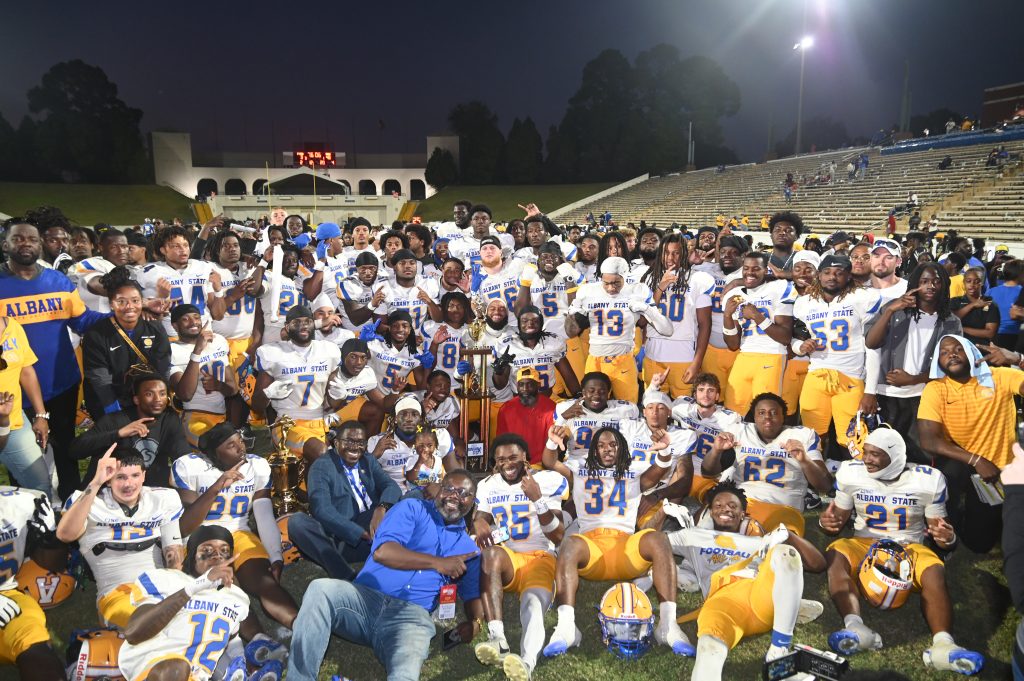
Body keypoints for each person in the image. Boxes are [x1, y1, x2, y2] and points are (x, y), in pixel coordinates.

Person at [286, 470, 483, 681]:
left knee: (405, 673)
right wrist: (438, 563)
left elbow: (471, 595)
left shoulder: (468, 549)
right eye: (449, 488)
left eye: (463, 493)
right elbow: (383, 552)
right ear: (438, 490)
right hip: (365, 600)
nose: (454, 496)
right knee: (320, 589)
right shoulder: (412, 508)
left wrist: (476, 622)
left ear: (473, 502)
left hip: (411, 620)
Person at [818, 428, 983, 675]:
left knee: (934, 569)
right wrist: (826, 523)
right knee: (835, 554)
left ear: (894, 457)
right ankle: (855, 627)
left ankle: (943, 644)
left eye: (875, 454)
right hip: (865, 541)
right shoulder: (851, 473)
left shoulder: (927, 480)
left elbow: (941, 532)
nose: (866, 459)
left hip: (908, 545)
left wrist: (947, 539)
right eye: (865, 452)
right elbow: (837, 519)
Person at [540, 426, 693, 657]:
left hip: (626, 549)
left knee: (658, 539)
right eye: (601, 445)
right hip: (592, 550)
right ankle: (566, 626)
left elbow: (660, 469)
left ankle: (668, 625)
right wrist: (552, 443)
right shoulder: (580, 471)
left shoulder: (634, 472)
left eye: (613, 445)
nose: (608, 450)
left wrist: (664, 451)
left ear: (621, 447)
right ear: (594, 450)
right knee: (570, 543)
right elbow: (550, 462)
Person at [666, 481, 826, 681]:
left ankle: (779, 652)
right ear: (710, 511)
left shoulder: (759, 541)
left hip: (758, 594)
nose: (726, 509)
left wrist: (787, 535)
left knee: (784, 553)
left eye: (733, 506)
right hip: (721, 602)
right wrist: (664, 516)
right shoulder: (694, 536)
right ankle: (788, 606)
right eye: (718, 505)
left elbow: (818, 564)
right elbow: (653, 545)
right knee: (709, 649)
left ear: (743, 514)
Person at [0, 220, 109, 498]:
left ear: (40, 245)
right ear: (6, 245)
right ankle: (27, 509)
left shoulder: (57, 281)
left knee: (65, 446)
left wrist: (121, 316)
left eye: (32, 239)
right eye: (18, 239)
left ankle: (70, 501)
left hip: (61, 380)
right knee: (23, 459)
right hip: (14, 389)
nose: (26, 243)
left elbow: (81, 320)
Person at [172, 422, 298, 629]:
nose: (241, 448)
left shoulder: (256, 466)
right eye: (231, 445)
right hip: (202, 533)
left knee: (264, 582)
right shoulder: (189, 467)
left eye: (240, 442)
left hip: (238, 531)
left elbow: (264, 513)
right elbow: (185, 526)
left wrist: (275, 555)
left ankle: (304, 627)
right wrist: (216, 487)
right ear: (214, 453)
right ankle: (258, 638)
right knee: (226, 588)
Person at [118, 525, 277, 681]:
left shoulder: (235, 597)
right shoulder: (167, 580)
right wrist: (194, 588)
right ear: (192, 556)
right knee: (176, 668)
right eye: (207, 550)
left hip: (197, 676)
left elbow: (231, 640)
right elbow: (134, 633)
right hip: (156, 671)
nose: (217, 556)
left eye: (225, 551)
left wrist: (244, 665)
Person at [473, 434, 569, 680]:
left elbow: (558, 535)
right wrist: (479, 522)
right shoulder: (488, 485)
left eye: (514, 457)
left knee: (532, 606)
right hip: (509, 558)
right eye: (501, 459)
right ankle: (498, 638)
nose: (508, 463)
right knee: (491, 553)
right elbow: (481, 518)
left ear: (526, 456)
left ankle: (527, 663)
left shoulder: (546, 480)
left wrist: (537, 499)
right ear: (494, 462)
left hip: (541, 557)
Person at [56, 446, 185, 628]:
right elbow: (65, 535)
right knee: (149, 625)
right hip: (117, 592)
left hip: (160, 585)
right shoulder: (87, 501)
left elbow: (173, 549)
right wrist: (95, 483)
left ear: (144, 476)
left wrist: (176, 590)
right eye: (120, 477)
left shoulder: (163, 499)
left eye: (134, 475)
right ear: (109, 479)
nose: (128, 484)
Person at [918, 335, 1024, 553]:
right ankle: (946, 527)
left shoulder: (1000, 376)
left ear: (971, 353)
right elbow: (929, 440)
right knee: (946, 483)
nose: (952, 354)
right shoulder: (936, 389)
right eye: (944, 352)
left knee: (985, 542)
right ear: (938, 362)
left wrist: (1017, 358)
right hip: (963, 462)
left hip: (1001, 468)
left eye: (958, 349)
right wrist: (976, 460)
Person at [865, 264, 960, 464]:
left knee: (921, 452)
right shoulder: (896, 309)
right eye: (924, 281)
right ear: (914, 285)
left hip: (925, 395)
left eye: (936, 281)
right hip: (888, 394)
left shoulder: (951, 321)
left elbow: (951, 367)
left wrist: (913, 379)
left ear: (944, 286)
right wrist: (890, 310)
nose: (931, 286)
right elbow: (871, 342)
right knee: (886, 451)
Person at [701, 393, 831, 535]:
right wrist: (716, 450)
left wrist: (804, 460)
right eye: (761, 413)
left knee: (782, 546)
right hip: (743, 501)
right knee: (704, 526)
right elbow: (708, 472)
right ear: (754, 417)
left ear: (784, 416)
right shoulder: (740, 431)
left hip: (784, 507)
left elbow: (825, 484)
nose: (767, 417)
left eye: (774, 413)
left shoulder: (803, 435)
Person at [287, 420, 402, 580]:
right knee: (297, 522)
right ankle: (344, 573)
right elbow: (322, 509)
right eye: (349, 441)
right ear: (336, 443)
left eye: (360, 442)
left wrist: (381, 508)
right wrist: (357, 532)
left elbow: (391, 486)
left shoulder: (367, 459)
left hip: (375, 524)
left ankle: (397, 549)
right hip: (344, 537)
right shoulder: (322, 466)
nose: (355, 447)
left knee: (413, 498)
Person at [792, 255, 882, 452]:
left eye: (839, 273)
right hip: (816, 376)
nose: (832, 277)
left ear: (848, 276)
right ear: (819, 275)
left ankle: (854, 479)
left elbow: (873, 347)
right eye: (827, 272)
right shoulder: (804, 303)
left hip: (850, 377)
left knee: (854, 440)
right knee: (812, 437)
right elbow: (795, 338)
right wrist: (800, 346)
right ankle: (817, 478)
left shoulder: (861, 297)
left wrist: (870, 391)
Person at [565, 257, 672, 403]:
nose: (610, 288)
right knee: (592, 407)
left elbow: (667, 330)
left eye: (616, 282)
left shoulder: (637, 290)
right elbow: (570, 332)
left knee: (629, 408)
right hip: (595, 359)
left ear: (625, 277)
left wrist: (647, 309)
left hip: (623, 360)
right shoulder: (588, 291)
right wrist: (573, 311)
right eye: (606, 283)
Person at [71, 374, 191, 489]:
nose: (158, 399)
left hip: (151, 493)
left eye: (162, 394)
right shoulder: (114, 420)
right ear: (136, 399)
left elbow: (183, 456)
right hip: (108, 491)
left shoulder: (170, 419)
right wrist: (118, 433)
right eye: (149, 394)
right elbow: (75, 450)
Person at [81, 266, 171, 420]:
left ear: (141, 302)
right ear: (111, 304)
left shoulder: (155, 328)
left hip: (144, 399)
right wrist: (116, 415)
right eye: (121, 301)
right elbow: (100, 379)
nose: (129, 307)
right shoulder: (96, 334)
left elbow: (162, 370)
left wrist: (157, 403)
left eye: (135, 301)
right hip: (108, 401)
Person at [252, 306, 341, 460]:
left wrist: (340, 396)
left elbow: (331, 402)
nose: (303, 325)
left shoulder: (328, 351)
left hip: (319, 422)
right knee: (321, 454)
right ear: (287, 327)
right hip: (288, 423)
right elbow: (257, 406)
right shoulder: (273, 353)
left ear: (314, 324)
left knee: (317, 471)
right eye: (296, 322)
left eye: (307, 321)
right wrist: (268, 394)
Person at [0, 483, 68, 681]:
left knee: (34, 644)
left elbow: (53, 564)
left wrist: (50, 538)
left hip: (6, 596)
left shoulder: (23, 501)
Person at [641, 233, 715, 398]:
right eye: (666, 252)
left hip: (683, 355)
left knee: (683, 410)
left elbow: (705, 324)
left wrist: (697, 362)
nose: (670, 257)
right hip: (653, 354)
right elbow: (641, 320)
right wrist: (660, 287)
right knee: (654, 406)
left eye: (676, 252)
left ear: (683, 254)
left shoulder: (696, 279)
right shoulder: (649, 279)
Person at [721, 252, 795, 414]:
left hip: (771, 355)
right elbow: (733, 345)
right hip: (744, 355)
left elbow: (785, 337)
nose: (750, 272)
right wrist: (727, 316)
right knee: (732, 411)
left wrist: (757, 316)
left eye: (756, 268)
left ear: (766, 270)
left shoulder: (779, 288)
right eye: (746, 268)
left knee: (765, 412)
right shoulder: (735, 294)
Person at [169, 304, 237, 446]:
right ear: (175, 326)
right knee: (219, 450)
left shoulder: (217, 341)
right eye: (185, 319)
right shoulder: (172, 350)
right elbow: (185, 394)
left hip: (222, 417)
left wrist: (218, 385)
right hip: (195, 416)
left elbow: (233, 389)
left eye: (196, 318)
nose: (193, 322)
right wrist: (197, 350)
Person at [0, 318, 51, 494]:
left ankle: (42, 521)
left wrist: (41, 414)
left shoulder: (13, 327)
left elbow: (26, 371)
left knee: (40, 487)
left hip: (13, 422)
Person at [553, 372, 638, 464]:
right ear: (583, 392)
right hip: (577, 465)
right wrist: (563, 417)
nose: (597, 395)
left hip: (612, 465)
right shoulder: (567, 408)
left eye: (602, 391)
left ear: (608, 393)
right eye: (591, 391)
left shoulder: (625, 410)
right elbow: (553, 438)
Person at [496, 367, 557, 467]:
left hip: (542, 464)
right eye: (521, 385)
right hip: (514, 464)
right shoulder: (506, 409)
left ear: (538, 385)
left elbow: (552, 443)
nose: (525, 389)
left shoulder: (551, 407)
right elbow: (501, 442)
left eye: (530, 384)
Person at [950, 267, 999, 346]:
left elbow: (990, 333)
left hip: (979, 348)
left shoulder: (990, 304)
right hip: (957, 346)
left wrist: (962, 329)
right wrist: (972, 305)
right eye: (968, 281)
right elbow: (950, 320)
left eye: (977, 281)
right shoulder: (955, 301)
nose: (972, 284)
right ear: (964, 282)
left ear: (982, 282)